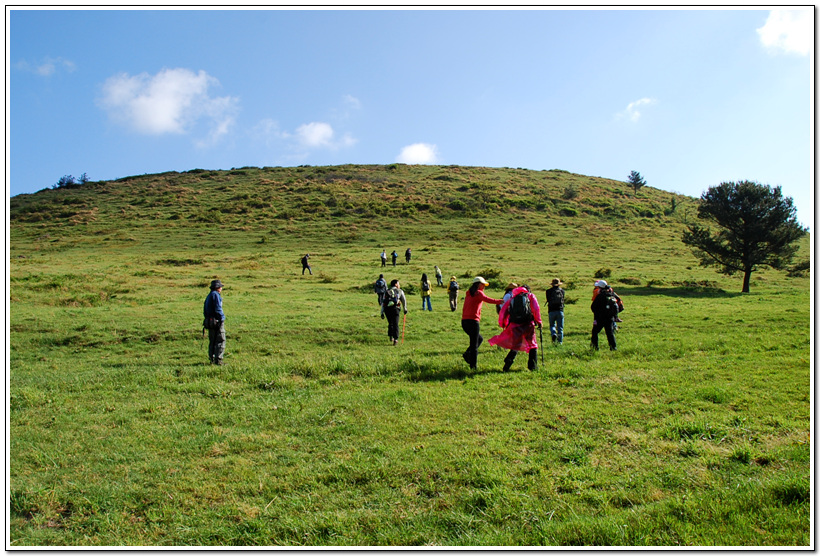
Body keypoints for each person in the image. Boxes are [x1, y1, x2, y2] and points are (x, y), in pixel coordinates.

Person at [489, 285, 542, 371]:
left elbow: (503, 312)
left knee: (516, 344)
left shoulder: (512, 298)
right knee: (532, 345)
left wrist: (503, 323)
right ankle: (533, 367)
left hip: (515, 325)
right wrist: (539, 321)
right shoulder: (531, 296)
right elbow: (536, 309)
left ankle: (508, 362)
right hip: (528, 324)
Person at [461, 277, 503, 369]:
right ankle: (473, 366)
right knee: (474, 344)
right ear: (478, 284)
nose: (484, 286)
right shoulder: (478, 293)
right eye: (483, 284)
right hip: (473, 321)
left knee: (478, 339)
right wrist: (501, 301)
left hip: (464, 321)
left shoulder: (469, 293)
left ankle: (467, 354)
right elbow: (488, 299)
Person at [590, 280, 620, 351]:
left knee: (595, 332)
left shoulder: (600, 296)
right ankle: (613, 347)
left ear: (600, 287)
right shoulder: (611, 295)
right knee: (610, 333)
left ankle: (595, 347)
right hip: (610, 318)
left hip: (600, 318)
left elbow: (593, 307)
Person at [203, 279, 226, 365]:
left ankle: (212, 359)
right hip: (216, 321)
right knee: (220, 339)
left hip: (209, 321)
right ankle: (218, 359)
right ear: (218, 288)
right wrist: (221, 318)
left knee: (212, 340)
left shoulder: (209, 296)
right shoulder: (216, 295)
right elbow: (218, 308)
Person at [381, 279, 408, 345]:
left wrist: (381, 312)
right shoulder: (399, 291)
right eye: (398, 284)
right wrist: (405, 308)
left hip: (387, 309)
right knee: (395, 323)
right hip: (396, 308)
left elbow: (383, 302)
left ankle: (391, 336)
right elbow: (403, 300)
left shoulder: (387, 291)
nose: (399, 285)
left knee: (390, 323)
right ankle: (395, 339)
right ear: (396, 284)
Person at [546, 278, 566, 344]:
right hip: (560, 310)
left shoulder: (548, 291)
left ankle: (553, 333)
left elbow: (548, 300)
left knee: (552, 325)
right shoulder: (562, 291)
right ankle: (560, 342)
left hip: (551, 310)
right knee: (560, 327)